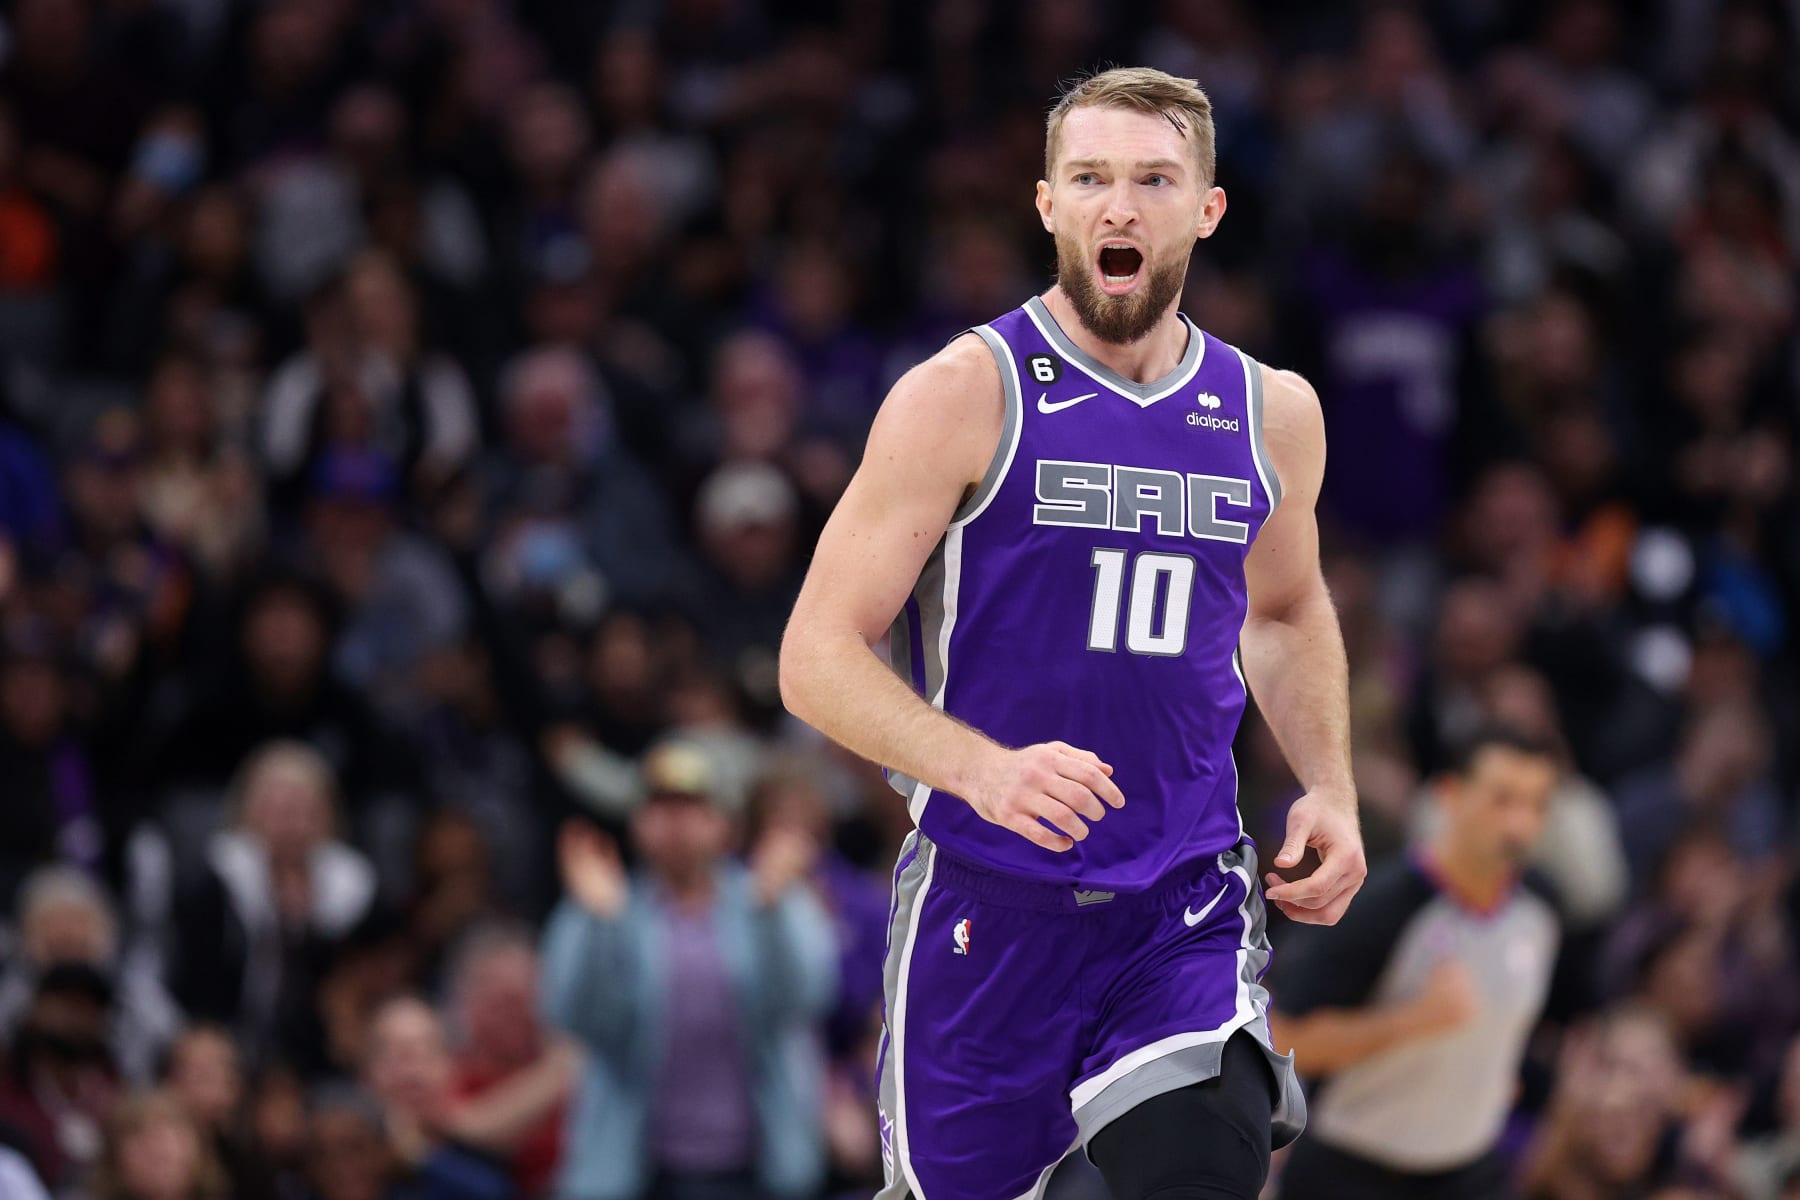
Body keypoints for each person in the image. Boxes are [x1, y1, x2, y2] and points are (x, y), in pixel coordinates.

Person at [779, 67, 1364, 1200]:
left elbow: (1287, 612)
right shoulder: (964, 392)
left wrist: (1331, 786)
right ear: (1046, 203)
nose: (1120, 207)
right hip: (987, 907)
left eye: (1154, 180)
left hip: (1179, 899)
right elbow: (815, 653)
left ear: (1208, 208)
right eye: (1090, 178)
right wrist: (978, 767)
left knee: (1204, 1168)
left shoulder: (1272, 413)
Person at [1268, 727, 1562, 1200]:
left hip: (1470, 1171)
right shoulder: (1382, 907)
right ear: (1450, 795)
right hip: (1353, 1171)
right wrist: (1413, 1021)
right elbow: (1285, 1036)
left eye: (1536, 805)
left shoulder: (1542, 911)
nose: (1519, 825)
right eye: (1502, 800)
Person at [540, 737, 837, 1200]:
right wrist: (601, 926)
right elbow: (575, 1019)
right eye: (659, 808)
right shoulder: (609, 904)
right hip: (636, 1170)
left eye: (692, 807)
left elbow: (806, 1000)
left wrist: (772, 910)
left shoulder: (767, 895)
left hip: (758, 1166)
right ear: (637, 822)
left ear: (725, 824)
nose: (675, 824)